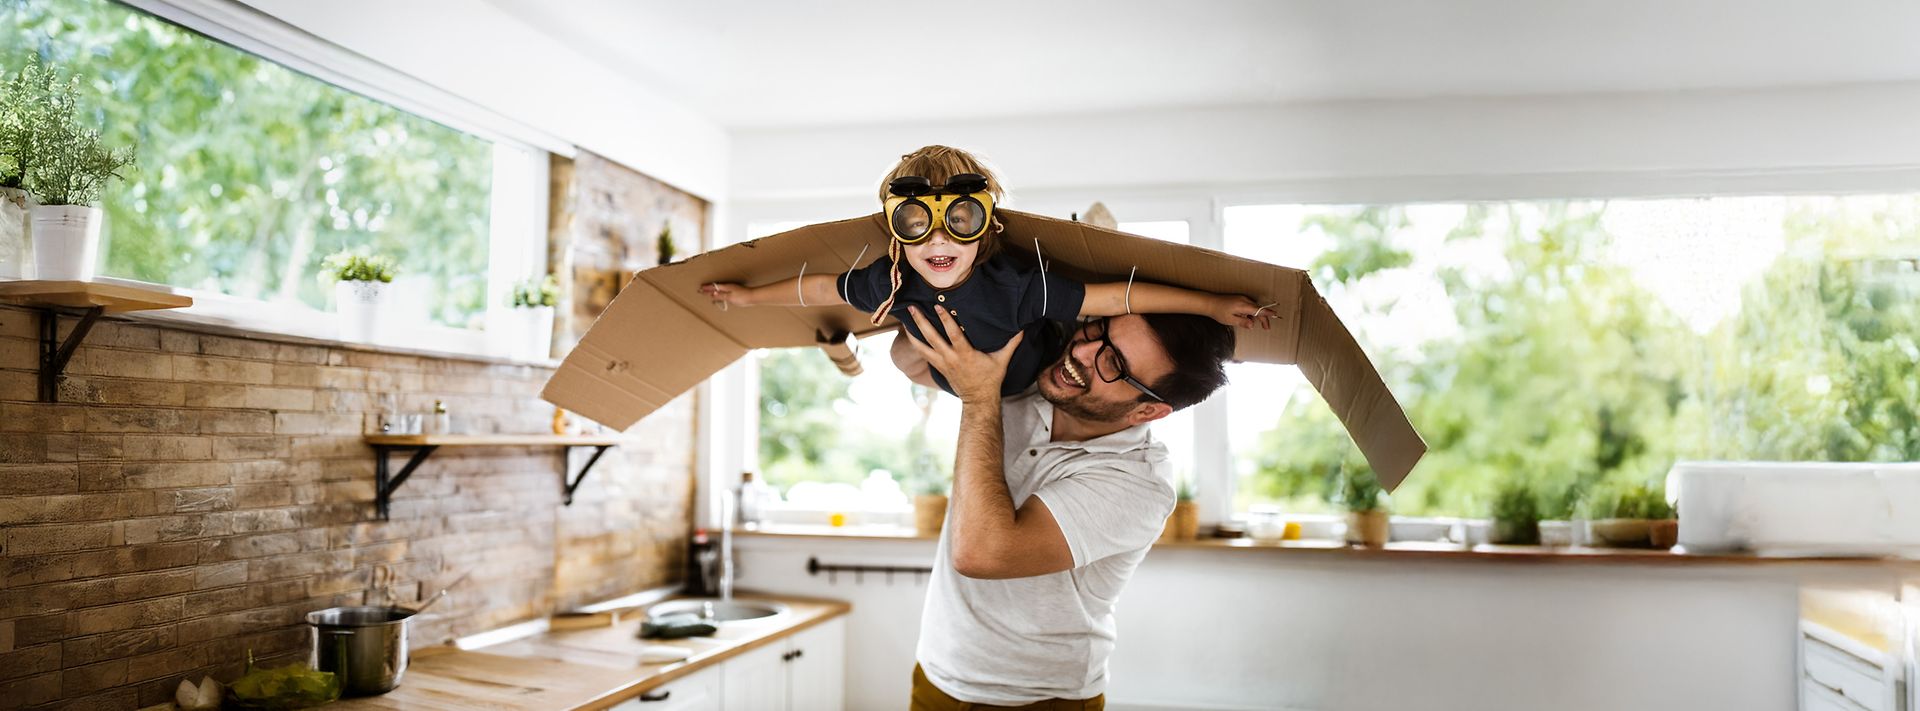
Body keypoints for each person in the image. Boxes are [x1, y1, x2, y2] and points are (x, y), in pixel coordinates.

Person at [698, 145, 1268, 396]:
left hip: (1028, 378)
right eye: (917, 222)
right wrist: (747, 297)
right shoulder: (891, 279)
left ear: (986, 227)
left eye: (960, 219)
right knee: (900, 353)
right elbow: (821, 286)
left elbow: (1120, 297)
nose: (938, 240)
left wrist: (1212, 305)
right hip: (950, 379)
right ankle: (895, 354)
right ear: (897, 230)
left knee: (1065, 318)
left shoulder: (1016, 288)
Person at [898, 303, 1237, 710]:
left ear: (1147, 410)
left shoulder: (1138, 484)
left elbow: (981, 552)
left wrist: (978, 397)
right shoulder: (1032, 377)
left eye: (1113, 363)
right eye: (1098, 330)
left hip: (1039, 698)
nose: (1082, 352)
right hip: (937, 672)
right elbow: (909, 360)